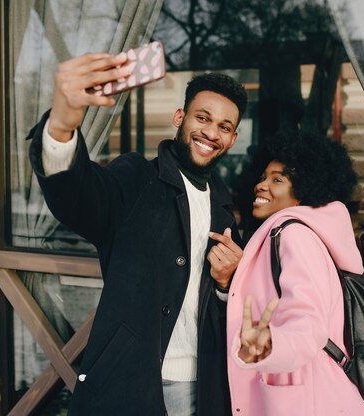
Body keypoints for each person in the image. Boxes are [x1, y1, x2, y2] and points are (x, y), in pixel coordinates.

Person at [26, 52, 247, 415]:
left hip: (204, 385)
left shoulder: (225, 207)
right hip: (131, 384)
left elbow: (224, 306)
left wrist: (225, 286)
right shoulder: (135, 177)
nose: (211, 132)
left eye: (224, 127)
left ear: (233, 138)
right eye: (203, 118)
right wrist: (62, 125)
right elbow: (77, 197)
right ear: (180, 117)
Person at [225, 131, 364, 415]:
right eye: (263, 177)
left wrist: (272, 344)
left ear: (305, 189)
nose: (261, 186)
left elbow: (308, 320)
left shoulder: (295, 236)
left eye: (277, 179)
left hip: (311, 400)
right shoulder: (298, 232)